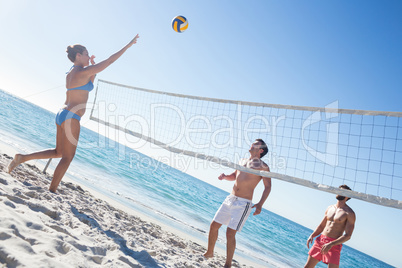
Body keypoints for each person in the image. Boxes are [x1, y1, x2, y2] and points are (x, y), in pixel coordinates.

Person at [8, 34, 140, 192]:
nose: (88, 56)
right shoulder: (82, 72)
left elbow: (89, 83)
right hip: (71, 117)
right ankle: (52, 190)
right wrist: (128, 45)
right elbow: (110, 61)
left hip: (62, 114)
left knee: (59, 152)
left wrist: (92, 67)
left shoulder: (72, 73)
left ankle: (22, 158)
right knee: (67, 157)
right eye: (86, 54)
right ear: (78, 55)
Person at [203, 139, 272, 268]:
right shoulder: (242, 161)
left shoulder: (263, 167)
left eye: (256, 143)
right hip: (230, 198)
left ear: (261, 150)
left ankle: (228, 264)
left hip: (243, 204)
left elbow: (267, 187)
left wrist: (260, 204)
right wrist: (225, 177)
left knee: (230, 232)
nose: (252, 144)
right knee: (214, 225)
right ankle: (209, 252)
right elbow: (235, 176)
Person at [304, 185, 356, 268]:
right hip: (320, 240)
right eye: (339, 190)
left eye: (342, 191)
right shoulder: (330, 208)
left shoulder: (349, 213)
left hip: (334, 244)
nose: (338, 191)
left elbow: (348, 235)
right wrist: (312, 235)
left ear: (347, 196)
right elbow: (322, 226)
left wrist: (331, 244)